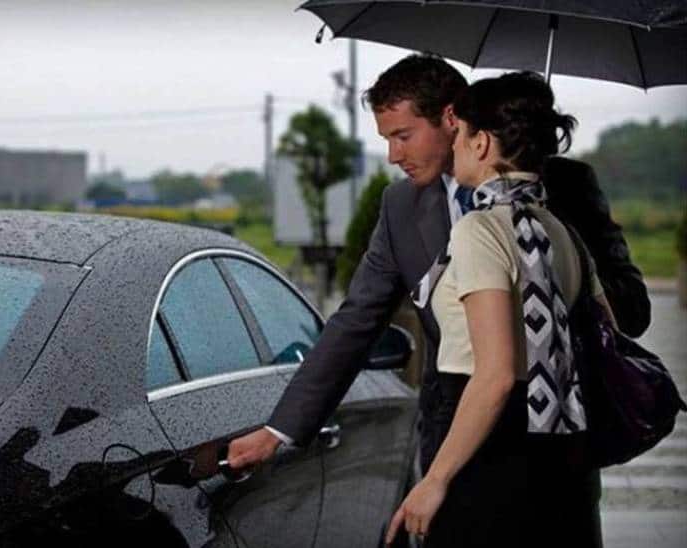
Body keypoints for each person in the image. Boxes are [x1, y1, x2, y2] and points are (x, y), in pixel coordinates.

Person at [227, 54, 648, 540]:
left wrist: (540, 270)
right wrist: (280, 430)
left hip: (557, 449)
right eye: (386, 140)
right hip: (457, 442)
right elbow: (355, 322)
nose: (392, 155)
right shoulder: (400, 205)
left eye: (403, 136)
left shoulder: (563, 193)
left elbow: (629, 312)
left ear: (453, 120)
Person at [384, 70, 613, 547]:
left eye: (462, 133)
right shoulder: (561, 230)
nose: (457, 145)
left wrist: (435, 480)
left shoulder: (479, 230)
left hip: (483, 447)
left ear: (482, 143)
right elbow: (603, 334)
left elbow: (495, 374)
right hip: (559, 452)